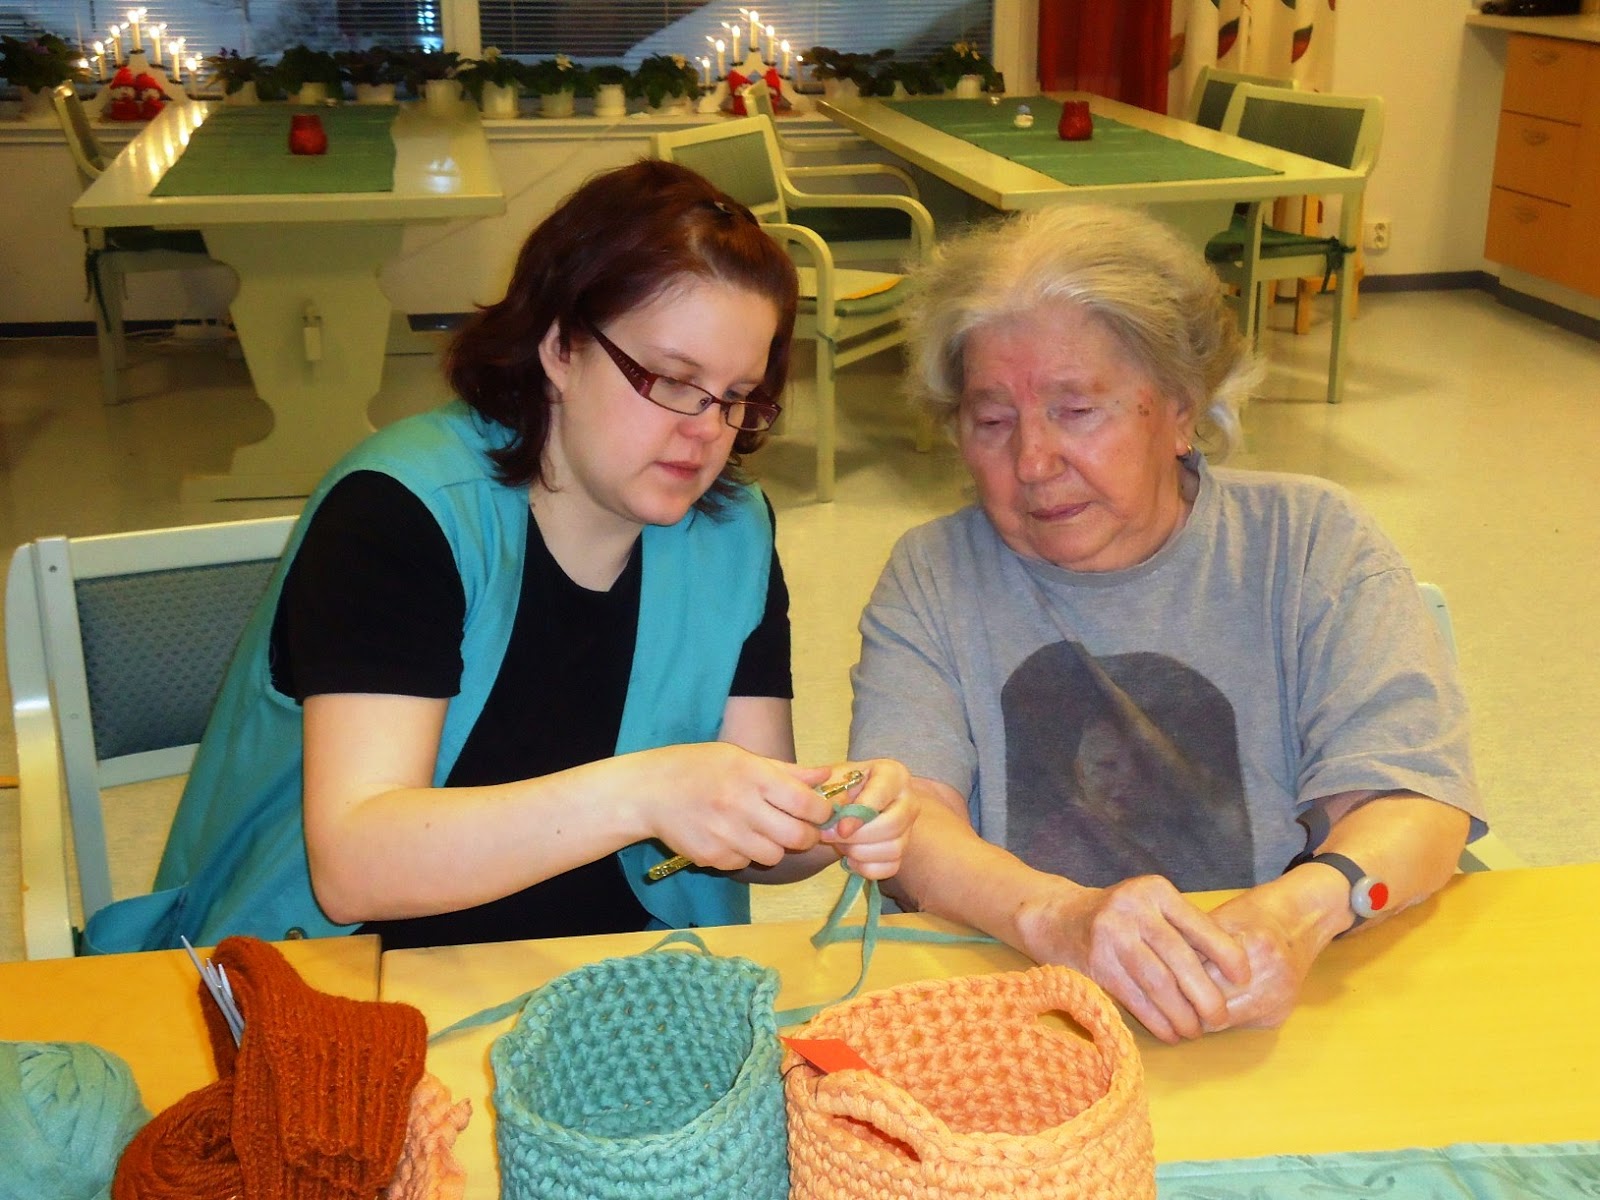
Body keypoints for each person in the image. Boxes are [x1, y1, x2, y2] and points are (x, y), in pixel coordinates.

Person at [85, 160, 912, 955]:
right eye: (670, 379)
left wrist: (828, 820)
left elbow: (758, 841)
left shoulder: (731, 533)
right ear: (561, 347)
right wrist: (650, 791)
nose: (705, 431)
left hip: (617, 975)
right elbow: (355, 867)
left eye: (736, 397)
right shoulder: (399, 513)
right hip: (349, 973)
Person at [848, 204, 1485, 1043]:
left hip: (1293, 1006)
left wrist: (1296, 915)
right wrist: (1057, 919)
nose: (1032, 462)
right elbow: (905, 817)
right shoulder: (934, 574)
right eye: (992, 421)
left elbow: (1412, 799)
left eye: (1077, 411)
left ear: (1182, 409)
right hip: (1034, 1022)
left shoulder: (1309, 540)